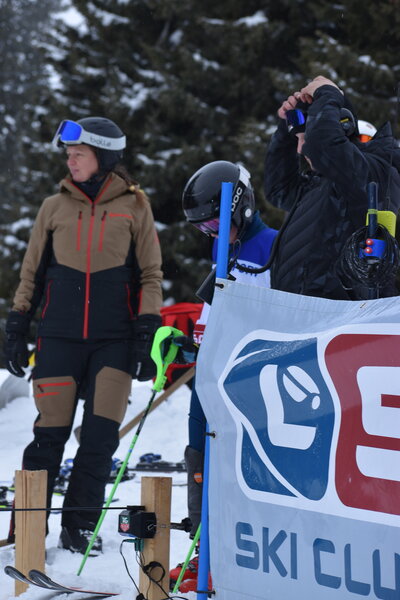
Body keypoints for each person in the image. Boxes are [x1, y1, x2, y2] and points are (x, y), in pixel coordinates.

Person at [3, 116, 163, 554]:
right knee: (48, 436)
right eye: (68, 154)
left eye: (78, 154)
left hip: (114, 342)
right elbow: (31, 272)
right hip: (58, 341)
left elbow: (150, 274)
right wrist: (18, 325)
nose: (69, 161)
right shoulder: (53, 207)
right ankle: (29, 531)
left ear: (103, 157)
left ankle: (79, 529)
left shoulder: (134, 207)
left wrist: (147, 333)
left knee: (99, 439)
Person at [169, 160, 278, 592]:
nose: (211, 233)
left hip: (248, 382)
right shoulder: (225, 254)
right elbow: (210, 319)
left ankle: (241, 555)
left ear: (242, 207)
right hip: (209, 378)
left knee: (241, 467)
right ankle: (204, 549)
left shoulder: (271, 248)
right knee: (199, 461)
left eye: (215, 222)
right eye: (202, 228)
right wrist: (185, 341)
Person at [264, 75, 400, 300]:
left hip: (340, 319)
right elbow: (278, 189)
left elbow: (323, 146)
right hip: (304, 316)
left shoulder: (375, 173)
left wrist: (328, 93)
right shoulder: (320, 185)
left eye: (304, 140)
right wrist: (285, 129)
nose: (301, 151)